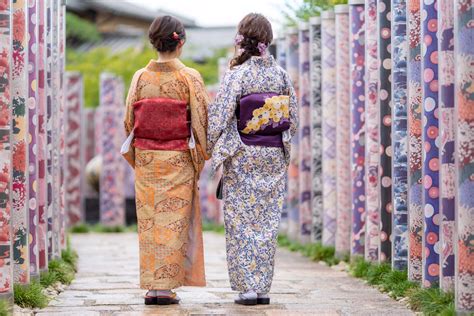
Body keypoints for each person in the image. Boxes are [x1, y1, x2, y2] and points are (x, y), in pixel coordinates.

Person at [207, 13, 298, 305]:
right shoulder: (281, 75)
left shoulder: (237, 75)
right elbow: (292, 119)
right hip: (272, 154)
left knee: (240, 221)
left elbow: (220, 117)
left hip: (243, 153)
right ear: (267, 41)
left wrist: (207, 149)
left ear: (242, 39)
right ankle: (262, 289)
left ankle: (246, 289)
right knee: (268, 223)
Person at [124, 15, 209, 305]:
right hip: (178, 160)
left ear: (153, 42)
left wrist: (139, 157)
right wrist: (200, 157)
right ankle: (166, 287)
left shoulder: (139, 77)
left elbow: (128, 123)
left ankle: (152, 287)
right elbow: (201, 123)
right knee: (174, 221)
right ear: (180, 42)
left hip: (147, 160)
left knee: (150, 223)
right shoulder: (190, 77)